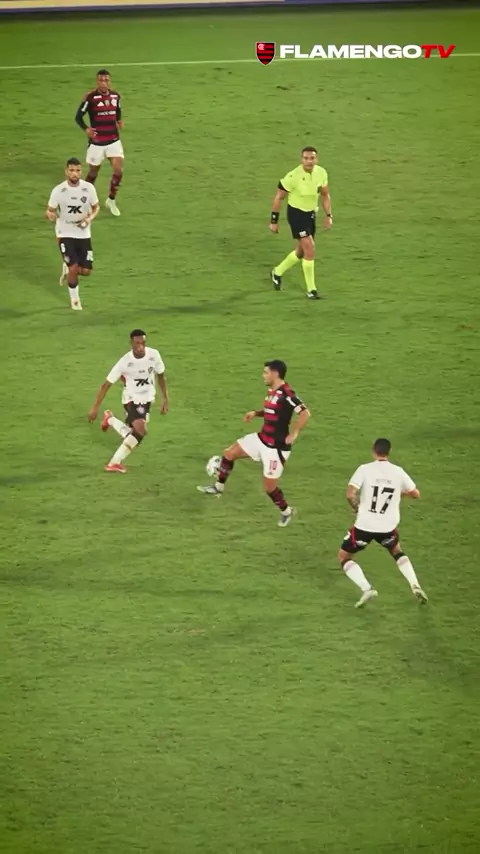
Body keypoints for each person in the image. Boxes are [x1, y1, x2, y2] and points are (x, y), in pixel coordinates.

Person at [197, 360, 310, 527]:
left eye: (266, 372)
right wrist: (256, 413)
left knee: (269, 488)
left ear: (275, 373)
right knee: (229, 453)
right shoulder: (272, 391)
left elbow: (305, 413)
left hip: (275, 448)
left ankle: (287, 511)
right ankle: (218, 487)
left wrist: (294, 433)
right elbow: (273, 411)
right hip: (261, 439)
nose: (263, 375)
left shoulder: (287, 393)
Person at [338, 438, 428, 608]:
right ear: (389, 452)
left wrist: (356, 507)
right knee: (397, 551)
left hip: (365, 526)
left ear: (373, 451)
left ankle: (367, 589)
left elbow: (350, 494)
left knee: (344, 556)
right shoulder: (398, 472)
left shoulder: (364, 469)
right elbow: (416, 494)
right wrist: (399, 494)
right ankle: (415, 585)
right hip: (388, 527)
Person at [88, 329, 169, 473]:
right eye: (137, 343)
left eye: (143, 342)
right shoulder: (125, 362)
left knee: (134, 435)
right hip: (132, 399)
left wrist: (165, 398)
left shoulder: (154, 355)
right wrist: (95, 407)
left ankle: (110, 419)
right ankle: (113, 463)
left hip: (148, 399)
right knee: (140, 431)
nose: (140, 346)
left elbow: (161, 376)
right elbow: (106, 385)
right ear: (131, 343)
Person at [269, 146, 332, 300]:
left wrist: (328, 215)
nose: (309, 161)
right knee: (310, 248)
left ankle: (277, 272)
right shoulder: (293, 176)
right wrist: (274, 221)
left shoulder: (321, 173)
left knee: (301, 251)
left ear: (316, 159)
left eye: (312, 158)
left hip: (310, 214)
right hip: (296, 215)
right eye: (306, 158)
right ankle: (311, 290)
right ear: (301, 159)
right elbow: (279, 197)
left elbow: (325, 195)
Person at [46, 157, 99, 311]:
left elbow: (96, 208)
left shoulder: (88, 188)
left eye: (77, 170)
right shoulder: (58, 190)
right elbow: (49, 210)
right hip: (65, 231)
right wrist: (50, 215)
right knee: (74, 267)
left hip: (83, 232)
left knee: (87, 271)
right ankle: (75, 301)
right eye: (71, 170)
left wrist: (88, 219)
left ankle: (67, 268)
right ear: (66, 171)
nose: (75, 173)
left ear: (81, 172)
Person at [75, 68, 124, 217]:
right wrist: (86, 129)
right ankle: (84, 199)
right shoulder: (90, 98)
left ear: (110, 81)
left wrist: (119, 120)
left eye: (106, 80)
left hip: (113, 140)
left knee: (118, 171)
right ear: (97, 81)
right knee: (93, 172)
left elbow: (118, 110)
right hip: (97, 142)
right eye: (101, 80)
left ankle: (111, 200)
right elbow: (78, 117)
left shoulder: (116, 96)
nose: (104, 83)